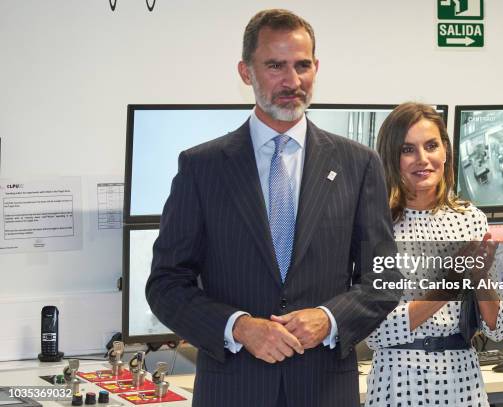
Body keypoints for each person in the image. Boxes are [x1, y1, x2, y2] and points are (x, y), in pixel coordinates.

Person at [145, 9, 401, 407]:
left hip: (324, 390)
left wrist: (328, 319)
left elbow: (383, 280)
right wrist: (239, 327)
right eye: (275, 66)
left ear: (316, 67)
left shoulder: (358, 164)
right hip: (233, 389)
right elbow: (165, 284)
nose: (292, 81)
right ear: (246, 72)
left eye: (302, 66)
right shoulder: (202, 168)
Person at [366, 103, 503, 406]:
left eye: (431, 145)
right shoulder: (374, 223)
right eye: (408, 149)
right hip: (397, 382)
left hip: (463, 381)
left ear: (445, 151)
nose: (423, 159)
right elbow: (375, 332)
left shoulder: (471, 219)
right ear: (391, 158)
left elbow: (500, 327)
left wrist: (479, 277)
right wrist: (450, 284)